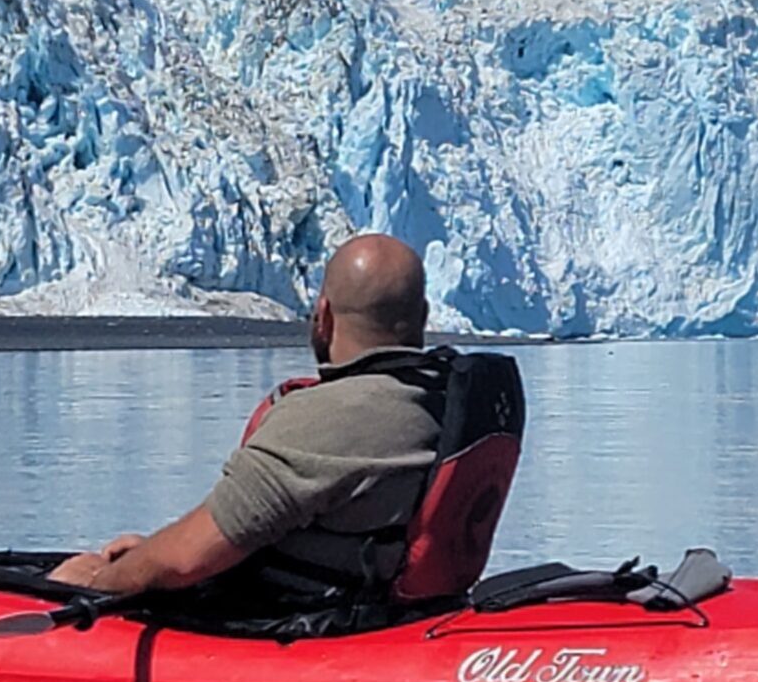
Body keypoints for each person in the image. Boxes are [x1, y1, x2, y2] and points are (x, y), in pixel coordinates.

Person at [50, 234, 469, 600]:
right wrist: (148, 550)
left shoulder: (330, 417)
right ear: (424, 316)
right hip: (365, 595)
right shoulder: (442, 401)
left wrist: (100, 580)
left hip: (303, 615)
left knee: (76, 570)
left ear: (322, 316)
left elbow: (183, 560)